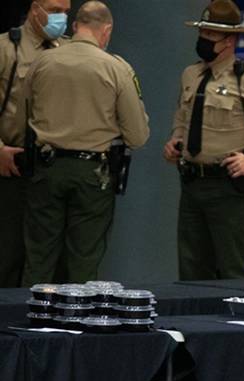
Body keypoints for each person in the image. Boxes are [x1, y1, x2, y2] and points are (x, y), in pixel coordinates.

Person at [21, 1, 149, 286]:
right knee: (83, 259)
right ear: (107, 30)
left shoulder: (43, 62)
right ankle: (76, 325)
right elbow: (137, 135)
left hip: (45, 169)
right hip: (93, 175)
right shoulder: (116, 69)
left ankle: (29, 324)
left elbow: (24, 113)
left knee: (39, 257)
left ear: (75, 25)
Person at [163, 0, 244, 281]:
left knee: (234, 266)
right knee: (191, 266)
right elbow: (182, 118)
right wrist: (175, 141)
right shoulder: (190, 74)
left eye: (210, 36)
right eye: (202, 34)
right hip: (192, 181)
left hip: (228, 186)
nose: (203, 41)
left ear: (229, 41)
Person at [0, 0, 70, 287]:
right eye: (54, 10)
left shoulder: (69, 51)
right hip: (12, 167)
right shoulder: (6, 48)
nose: (60, 18)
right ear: (34, 9)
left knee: (51, 260)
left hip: (55, 170)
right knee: (9, 255)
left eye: (66, 12)